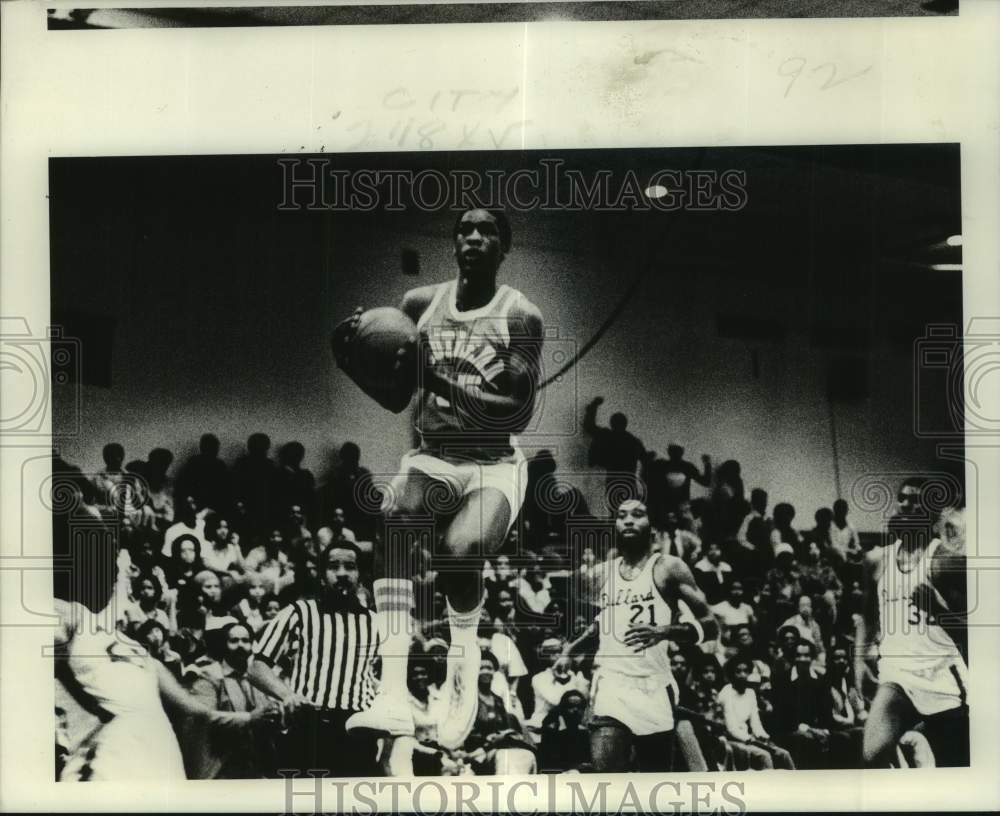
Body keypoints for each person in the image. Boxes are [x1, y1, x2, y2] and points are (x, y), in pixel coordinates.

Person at [336, 209, 543, 753]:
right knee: (396, 522)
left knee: (460, 550)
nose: (473, 238)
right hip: (432, 456)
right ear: (453, 243)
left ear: (504, 247)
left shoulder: (521, 315)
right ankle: (389, 690)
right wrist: (353, 362)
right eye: (464, 230)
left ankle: (463, 664)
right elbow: (398, 397)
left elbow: (515, 414)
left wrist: (443, 382)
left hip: (493, 464)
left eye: (486, 232)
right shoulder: (418, 305)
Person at [561, 499, 718, 772]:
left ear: (652, 528)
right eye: (622, 516)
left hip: (653, 685)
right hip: (611, 682)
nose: (629, 520)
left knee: (653, 784)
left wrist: (664, 632)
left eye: (637, 514)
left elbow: (711, 626)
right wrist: (569, 650)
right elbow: (603, 622)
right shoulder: (603, 572)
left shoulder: (669, 567)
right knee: (607, 778)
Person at [856, 495, 969, 768]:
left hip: (941, 675)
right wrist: (858, 659)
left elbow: (973, 632)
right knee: (872, 755)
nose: (906, 505)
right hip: (897, 675)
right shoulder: (876, 560)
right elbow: (868, 617)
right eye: (902, 499)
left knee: (956, 765)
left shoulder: (946, 561)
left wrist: (937, 609)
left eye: (916, 500)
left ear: (931, 514)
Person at [249, 541, 379, 776]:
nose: (341, 573)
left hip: (359, 730)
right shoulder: (299, 612)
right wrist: (287, 694)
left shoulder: (377, 622)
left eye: (350, 567)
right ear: (321, 575)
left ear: (361, 575)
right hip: (310, 728)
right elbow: (257, 668)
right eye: (333, 567)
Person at [183, 621, 283, 779]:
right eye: (234, 641)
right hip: (221, 765)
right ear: (224, 644)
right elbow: (203, 717)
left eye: (245, 641)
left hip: (257, 765)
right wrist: (249, 718)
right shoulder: (208, 675)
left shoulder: (259, 678)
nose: (241, 646)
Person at [455, 652, 536, 775]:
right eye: (481, 668)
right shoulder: (468, 699)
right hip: (477, 751)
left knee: (526, 755)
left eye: (489, 668)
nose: (485, 671)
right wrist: (489, 740)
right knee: (506, 758)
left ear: (494, 672)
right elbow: (464, 731)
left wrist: (505, 734)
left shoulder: (497, 699)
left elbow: (505, 726)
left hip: (499, 746)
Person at [717, 658, 794, 770]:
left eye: (746, 671)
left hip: (750, 739)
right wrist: (749, 739)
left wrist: (763, 737)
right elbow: (731, 728)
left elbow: (755, 722)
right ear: (731, 674)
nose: (742, 675)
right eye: (738, 672)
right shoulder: (726, 692)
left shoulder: (750, 693)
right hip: (732, 740)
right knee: (764, 756)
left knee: (783, 754)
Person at [582, 397, 646, 503]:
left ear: (612, 423)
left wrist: (594, 406)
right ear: (625, 424)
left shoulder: (607, 435)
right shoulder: (632, 440)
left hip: (613, 478)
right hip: (628, 480)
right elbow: (645, 459)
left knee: (614, 507)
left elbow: (589, 427)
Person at [661, 444, 712, 514]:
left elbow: (706, 482)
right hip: (680, 508)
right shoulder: (687, 467)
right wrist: (707, 464)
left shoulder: (662, 466)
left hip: (666, 508)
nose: (675, 454)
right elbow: (706, 482)